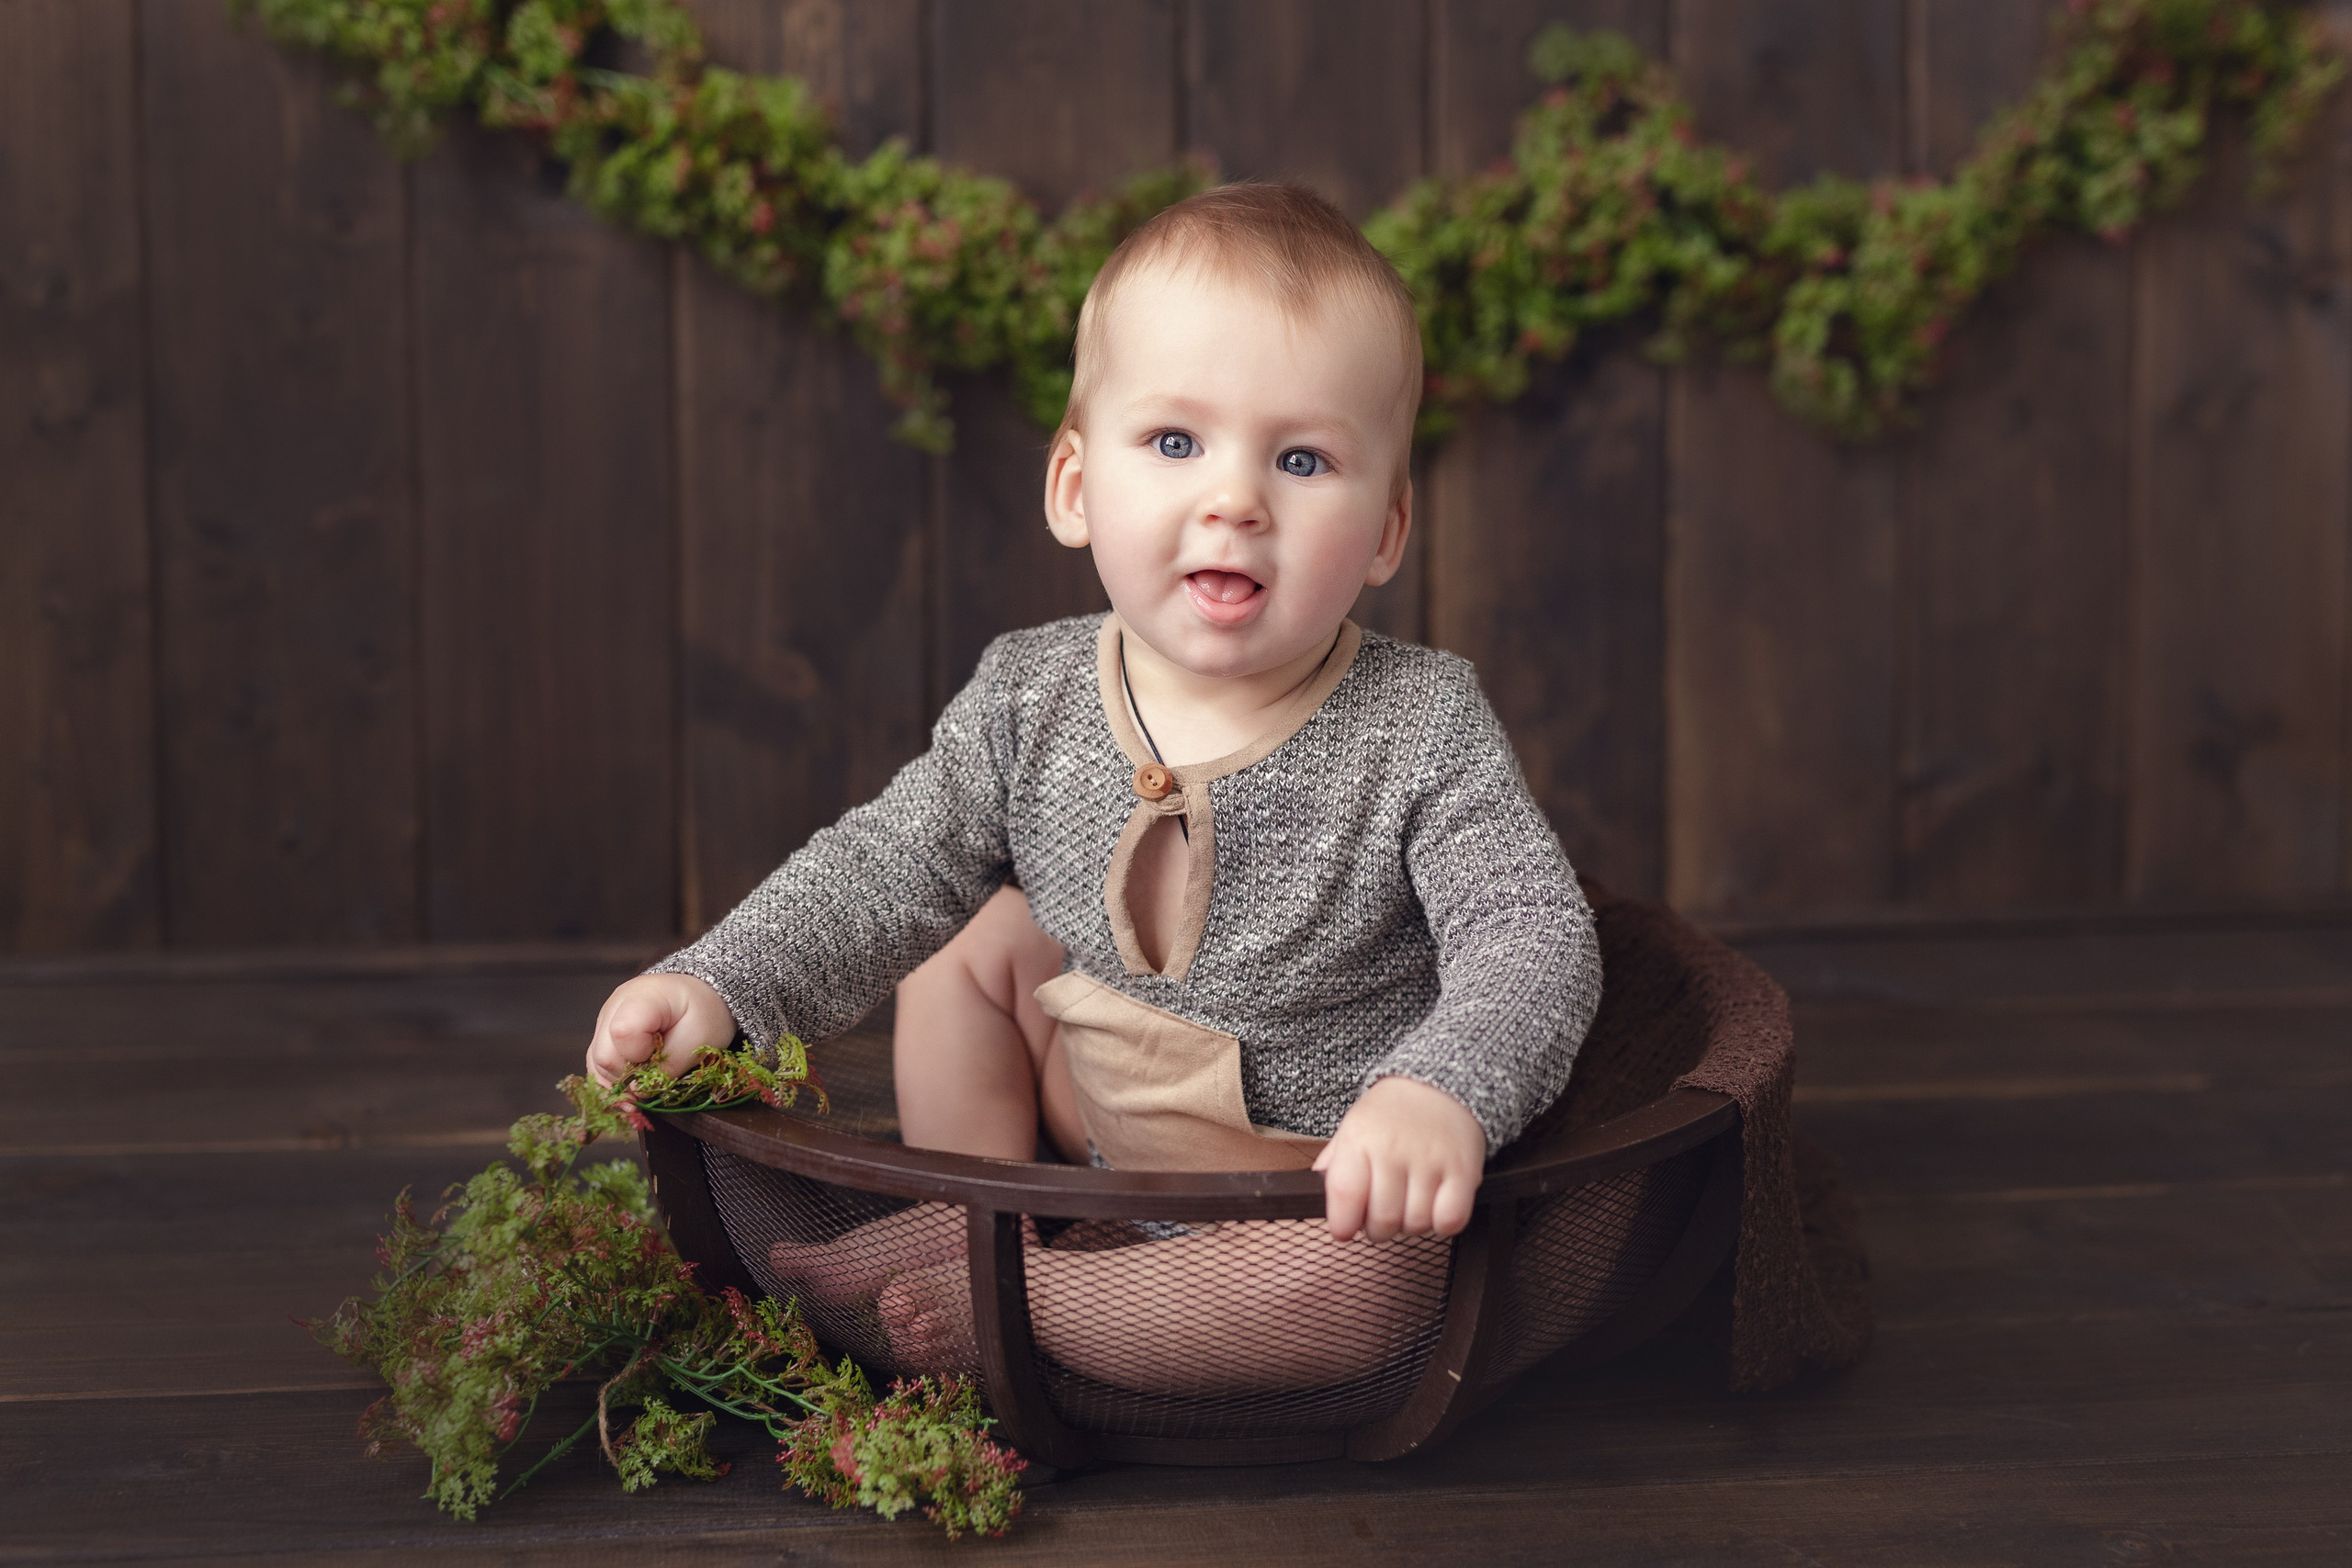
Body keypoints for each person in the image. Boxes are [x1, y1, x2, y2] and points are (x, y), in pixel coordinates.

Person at [585, 182, 1601, 1388]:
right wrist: (725, 977)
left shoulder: (1421, 722)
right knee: (967, 941)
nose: (1233, 499)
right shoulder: (1032, 692)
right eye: (1176, 443)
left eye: (1303, 458)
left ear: (1386, 529)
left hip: (1306, 1187)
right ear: (1076, 487)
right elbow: (883, 865)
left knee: (1379, 1289)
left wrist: (1442, 1093)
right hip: (1101, 1109)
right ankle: (989, 1211)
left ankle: (1030, 1302)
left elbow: (1533, 935)